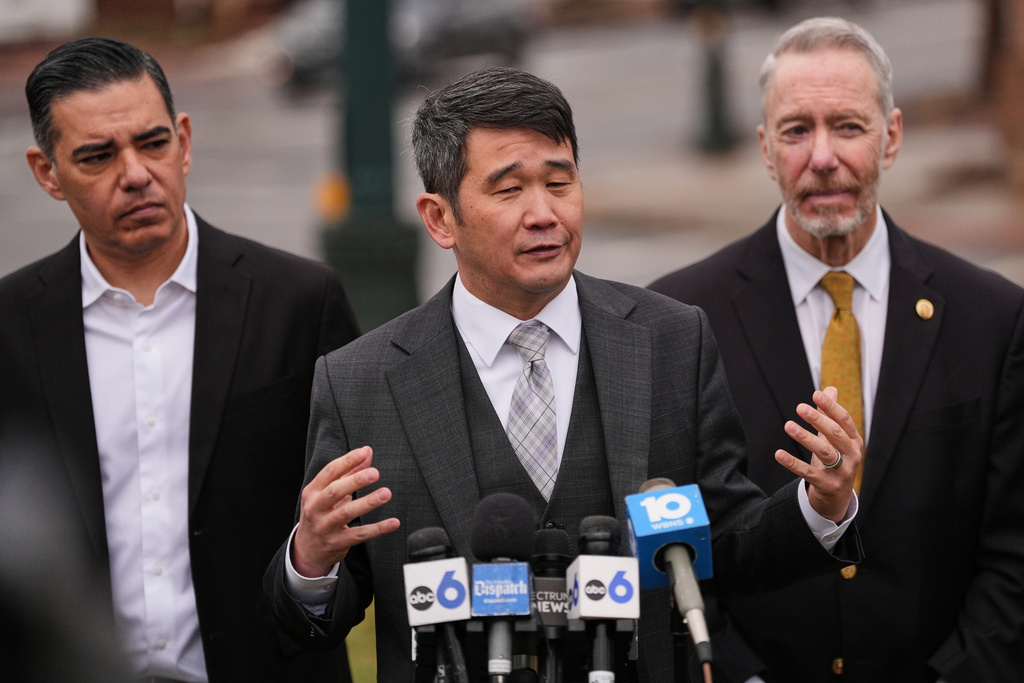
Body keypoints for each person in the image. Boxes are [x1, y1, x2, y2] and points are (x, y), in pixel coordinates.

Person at [264, 65, 866, 682]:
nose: (544, 213)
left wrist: (821, 505)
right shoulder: (362, 382)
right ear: (440, 218)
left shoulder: (670, 340)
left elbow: (728, 546)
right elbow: (318, 617)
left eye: (560, 181)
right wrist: (310, 559)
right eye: (509, 190)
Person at [649, 17, 1024, 682]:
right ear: (765, 149)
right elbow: (673, 549)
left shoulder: (992, 317)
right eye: (797, 130)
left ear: (892, 136)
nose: (822, 155)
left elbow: (1011, 556)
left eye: (848, 126)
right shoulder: (680, 318)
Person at [0, 37, 361, 682]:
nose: (135, 172)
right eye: (97, 155)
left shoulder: (299, 302)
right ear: (46, 172)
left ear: (185, 140)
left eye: (153, 142)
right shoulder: (9, 324)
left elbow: (357, 533)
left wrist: (311, 570)